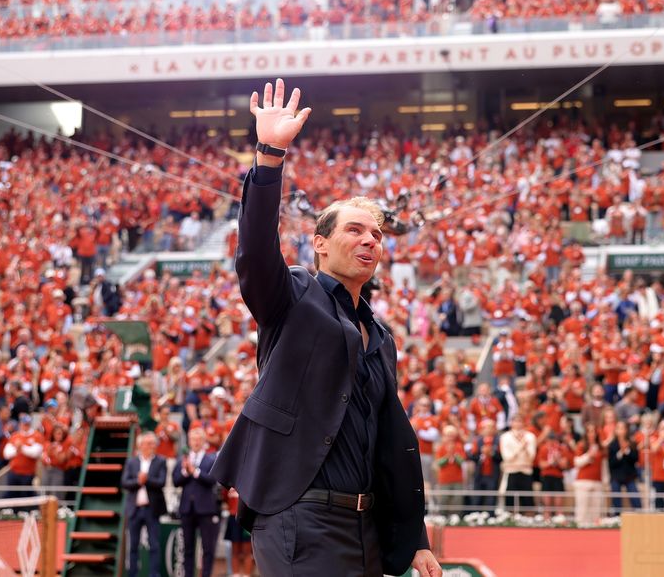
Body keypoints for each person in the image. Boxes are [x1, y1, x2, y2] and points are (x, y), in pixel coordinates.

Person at [210, 80, 438, 577]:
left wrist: (415, 538)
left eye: (376, 234)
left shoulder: (381, 336)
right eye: (354, 230)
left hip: (366, 528)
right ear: (320, 243)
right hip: (299, 515)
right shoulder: (293, 295)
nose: (370, 240)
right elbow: (254, 254)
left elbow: (388, 438)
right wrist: (270, 156)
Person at [173, 429, 221, 577]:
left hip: (206, 509)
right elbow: (176, 481)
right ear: (189, 441)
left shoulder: (211, 459)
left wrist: (195, 471)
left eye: (199, 439)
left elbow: (212, 480)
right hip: (187, 509)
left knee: (208, 548)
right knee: (188, 548)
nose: (196, 442)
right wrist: (186, 472)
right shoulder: (182, 459)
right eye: (193, 439)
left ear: (204, 441)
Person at [123, 433, 168, 577]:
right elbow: (125, 482)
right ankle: (132, 574)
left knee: (154, 545)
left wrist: (146, 480)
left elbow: (161, 482)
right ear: (140, 445)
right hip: (134, 509)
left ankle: (154, 575)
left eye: (152, 443)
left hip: (152, 509)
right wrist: (138, 482)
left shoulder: (161, 461)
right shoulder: (132, 462)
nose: (150, 446)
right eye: (147, 443)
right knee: (133, 546)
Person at [500, 413, 537, 514]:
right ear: (511, 423)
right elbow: (507, 457)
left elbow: (532, 456)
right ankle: (509, 520)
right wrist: (521, 446)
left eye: (520, 421)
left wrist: (524, 448)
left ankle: (529, 520)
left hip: (526, 470)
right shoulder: (505, 437)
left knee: (527, 499)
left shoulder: (530, 437)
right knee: (510, 499)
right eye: (515, 421)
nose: (518, 423)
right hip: (511, 470)